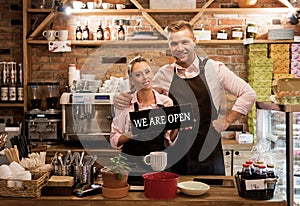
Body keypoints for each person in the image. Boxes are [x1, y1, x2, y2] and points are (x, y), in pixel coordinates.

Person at [114, 20, 256, 175]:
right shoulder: (164, 74)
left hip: (208, 147)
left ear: (194, 42)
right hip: (176, 151)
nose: (179, 48)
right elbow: (143, 95)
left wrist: (227, 120)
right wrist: (122, 98)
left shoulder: (214, 69)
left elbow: (248, 93)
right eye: (174, 44)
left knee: (212, 196)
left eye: (184, 42)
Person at [110, 56, 178, 168]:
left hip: (159, 165)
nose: (145, 77)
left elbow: (169, 139)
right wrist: (135, 133)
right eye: (138, 74)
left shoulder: (166, 102)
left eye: (147, 72)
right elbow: (114, 139)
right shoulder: (125, 104)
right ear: (132, 80)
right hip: (131, 165)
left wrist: (177, 126)